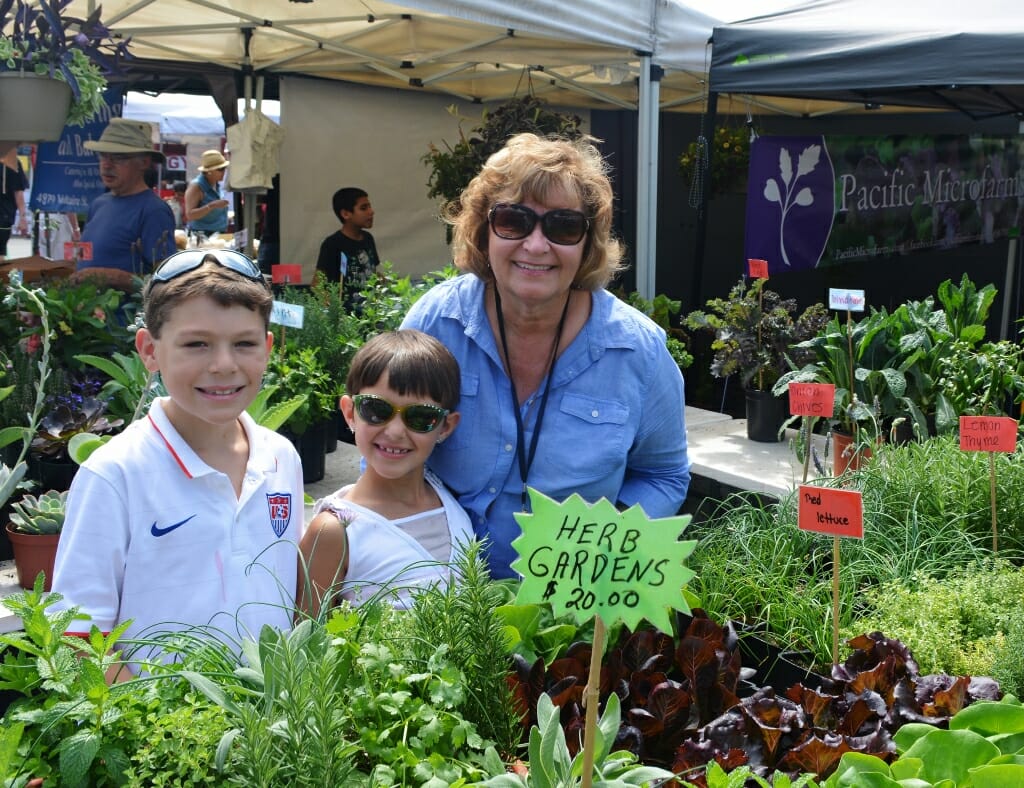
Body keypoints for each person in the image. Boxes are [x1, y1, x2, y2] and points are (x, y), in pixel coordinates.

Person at [401, 133, 690, 579]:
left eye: (563, 227)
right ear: (483, 230)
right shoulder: (437, 323)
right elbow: (385, 440)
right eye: (514, 221)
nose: (536, 245)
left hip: (567, 610)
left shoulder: (638, 351)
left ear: (588, 243)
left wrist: (605, 559)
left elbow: (663, 474)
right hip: (436, 593)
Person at [51, 249, 304, 678]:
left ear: (267, 349)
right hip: (166, 735)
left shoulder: (282, 457)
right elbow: (77, 635)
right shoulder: (116, 474)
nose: (223, 365)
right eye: (196, 344)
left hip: (270, 727)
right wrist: (159, 731)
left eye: (243, 343)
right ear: (150, 350)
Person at [297, 329, 471, 615]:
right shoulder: (335, 531)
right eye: (377, 410)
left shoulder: (448, 500)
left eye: (420, 417)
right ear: (350, 412)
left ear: (446, 426)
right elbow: (307, 644)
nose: (394, 431)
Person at [78, 118, 176, 277]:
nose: (107, 164)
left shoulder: (154, 211)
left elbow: (167, 281)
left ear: (144, 162)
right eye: (103, 156)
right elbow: (85, 256)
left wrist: (111, 277)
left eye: (118, 157)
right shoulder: (99, 204)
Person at [315, 187, 379, 310]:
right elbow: (317, 284)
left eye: (370, 206)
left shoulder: (368, 238)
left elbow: (372, 272)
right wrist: (334, 310)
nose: (371, 212)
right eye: (364, 208)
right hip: (347, 318)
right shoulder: (332, 244)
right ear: (345, 214)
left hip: (370, 314)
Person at [185, 149, 230, 237]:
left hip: (218, 234)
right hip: (201, 236)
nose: (224, 172)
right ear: (209, 171)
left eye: (224, 168)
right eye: (220, 169)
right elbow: (190, 215)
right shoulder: (196, 186)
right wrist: (212, 206)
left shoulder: (216, 184)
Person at [0, 146, 29, 261]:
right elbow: (19, 192)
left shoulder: (12, 163)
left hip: (3, 215)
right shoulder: (12, 162)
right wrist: (22, 218)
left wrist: (22, 218)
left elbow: (19, 192)